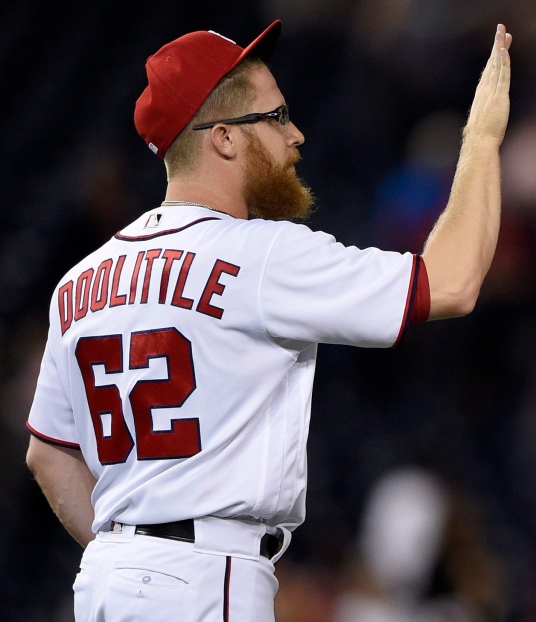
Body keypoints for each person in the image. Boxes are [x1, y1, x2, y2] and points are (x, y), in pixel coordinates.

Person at [24, 19, 511, 621]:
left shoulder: (78, 282)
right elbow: (455, 282)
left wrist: (130, 557)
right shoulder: (260, 254)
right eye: (276, 118)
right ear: (224, 138)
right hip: (208, 577)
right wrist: (484, 135)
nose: (297, 134)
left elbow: (48, 455)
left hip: (104, 583)